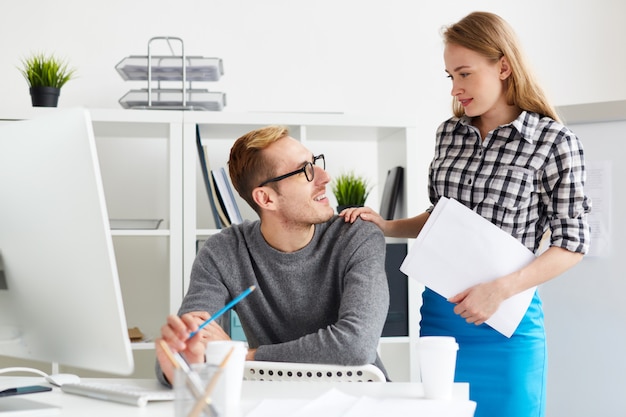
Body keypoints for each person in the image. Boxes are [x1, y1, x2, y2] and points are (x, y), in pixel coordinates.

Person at [341, 11, 591, 417]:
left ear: (504, 66)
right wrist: (386, 226)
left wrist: (501, 289)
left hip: (506, 323)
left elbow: (572, 243)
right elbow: (442, 218)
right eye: (449, 77)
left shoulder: (554, 141)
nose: (456, 89)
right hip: (442, 321)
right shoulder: (448, 134)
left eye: (465, 74)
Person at [155, 125, 390, 386]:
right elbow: (189, 347)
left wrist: (241, 355)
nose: (325, 177)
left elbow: (356, 346)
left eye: (315, 163)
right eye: (305, 171)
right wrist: (180, 360)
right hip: (274, 401)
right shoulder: (223, 251)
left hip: (363, 400)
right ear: (266, 199)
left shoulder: (357, 236)